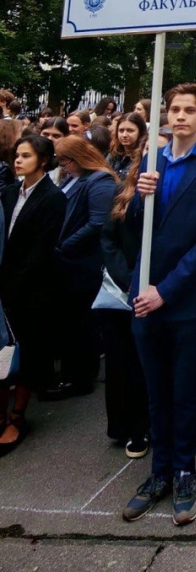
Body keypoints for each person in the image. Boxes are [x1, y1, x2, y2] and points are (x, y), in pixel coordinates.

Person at [122, 83, 196, 527]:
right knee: (155, 391)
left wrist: (166, 290)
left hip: (186, 297)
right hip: (143, 295)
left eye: (191, 109)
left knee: (185, 392)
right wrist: (139, 198)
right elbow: (134, 229)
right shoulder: (151, 161)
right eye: (174, 109)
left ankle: (186, 472)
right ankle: (159, 474)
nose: (181, 116)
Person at [0, 136, 66, 453]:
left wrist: (12, 285)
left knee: (24, 354)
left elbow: (41, 251)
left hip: (32, 290)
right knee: (2, 354)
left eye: (26, 156)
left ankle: (17, 417)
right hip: (5, 285)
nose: (18, 160)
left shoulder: (52, 198)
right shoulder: (9, 192)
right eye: (16, 155)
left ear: (42, 160)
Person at [45, 136, 118, 401]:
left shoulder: (100, 181)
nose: (62, 167)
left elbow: (97, 223)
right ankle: (70, 374)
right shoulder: (74, 178)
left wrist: (63, 246)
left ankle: (80, 378)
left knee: (81, 324)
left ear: (78, 158)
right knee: (70, 322)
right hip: (68, 261)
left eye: (65, 161)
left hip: (83, 261)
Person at [99, 150, 150, 459]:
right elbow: (108, 238)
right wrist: (126, 278)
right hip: (122, 289)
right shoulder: (123, 191)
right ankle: (126, 425)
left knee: (150, 364)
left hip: (157, 287)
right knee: (121, 363)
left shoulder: (176, 192)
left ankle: (148, 423)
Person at [109, 112, 148, 180]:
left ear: (140, 132)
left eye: (130, 131)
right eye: (121, 131)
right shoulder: (113, 153)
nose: (124, 135)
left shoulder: (144, 156)